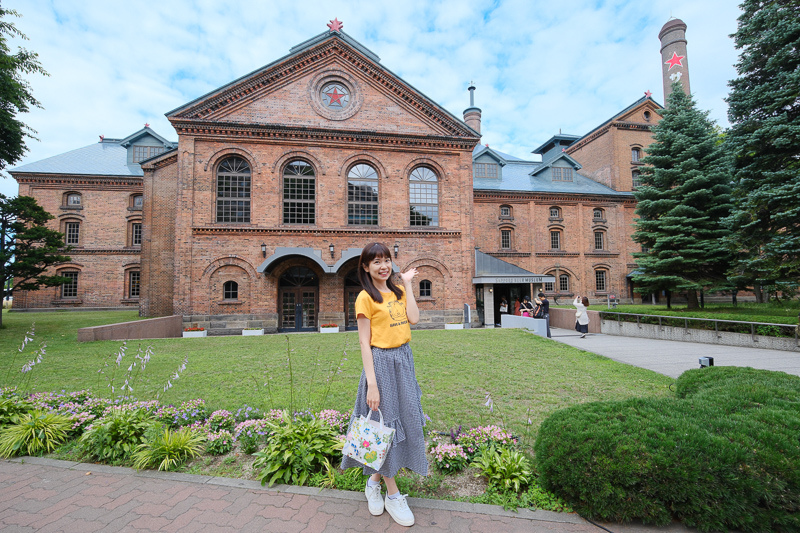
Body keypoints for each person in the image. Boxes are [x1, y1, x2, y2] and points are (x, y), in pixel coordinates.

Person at [341, 242, 426, 527]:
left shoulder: (398, 292)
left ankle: (372, 483)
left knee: (401, 421)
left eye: (386, 260)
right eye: (376, 261)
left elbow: (413, 318)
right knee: (386, 424)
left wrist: (408, 285)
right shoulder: (365, 298)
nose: (383, 266)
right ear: (365, 267)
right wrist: (372, 385)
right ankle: (393, 494)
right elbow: (364, 343)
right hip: (381, 364)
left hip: (403, 360)